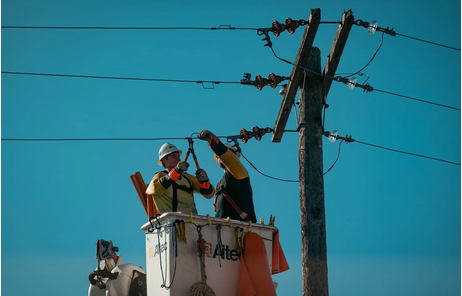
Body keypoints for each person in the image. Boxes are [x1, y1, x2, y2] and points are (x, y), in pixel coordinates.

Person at [197, 130, 256, 223]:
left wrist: (212, 140)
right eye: (217, 156)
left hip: (241, 228)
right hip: (222, 229)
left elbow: (228, 158)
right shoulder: (220, 183)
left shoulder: (240, 173)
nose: (219, 157)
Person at [146, 142, 215, 215]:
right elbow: (154, 189)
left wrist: (204, 181)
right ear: (164, 160)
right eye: (173, 156)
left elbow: (209, 194)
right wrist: (175, 172)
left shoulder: (186, 178)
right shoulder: (160, 176)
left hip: (192, 222)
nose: (178, 159)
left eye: (178, 156)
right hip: (171, 221)